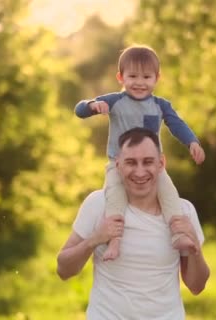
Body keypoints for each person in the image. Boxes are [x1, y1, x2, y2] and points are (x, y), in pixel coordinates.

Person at [57, 127, 210, 319]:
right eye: (131, 162)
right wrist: (94, 239)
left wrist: (194, 242)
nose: (139, 172)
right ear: (118, 165)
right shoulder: (99, 204)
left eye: (148, 162)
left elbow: (197, 286)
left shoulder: (182, 212)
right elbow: (63, 270)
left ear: (161, 163)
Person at [74, 44, 205, 261]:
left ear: (157, 78)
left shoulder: (160, 105)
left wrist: (192, 142)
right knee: (114, 196)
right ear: (120, 77)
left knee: (168, 192)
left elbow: (177, 124)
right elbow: (79, 110)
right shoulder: (115, 101)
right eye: (133, 76)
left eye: (146, 77)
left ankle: (178, 234)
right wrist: (92, 105)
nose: (139, 82)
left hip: (152, 167)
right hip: (118, 165)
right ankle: (114, 241)